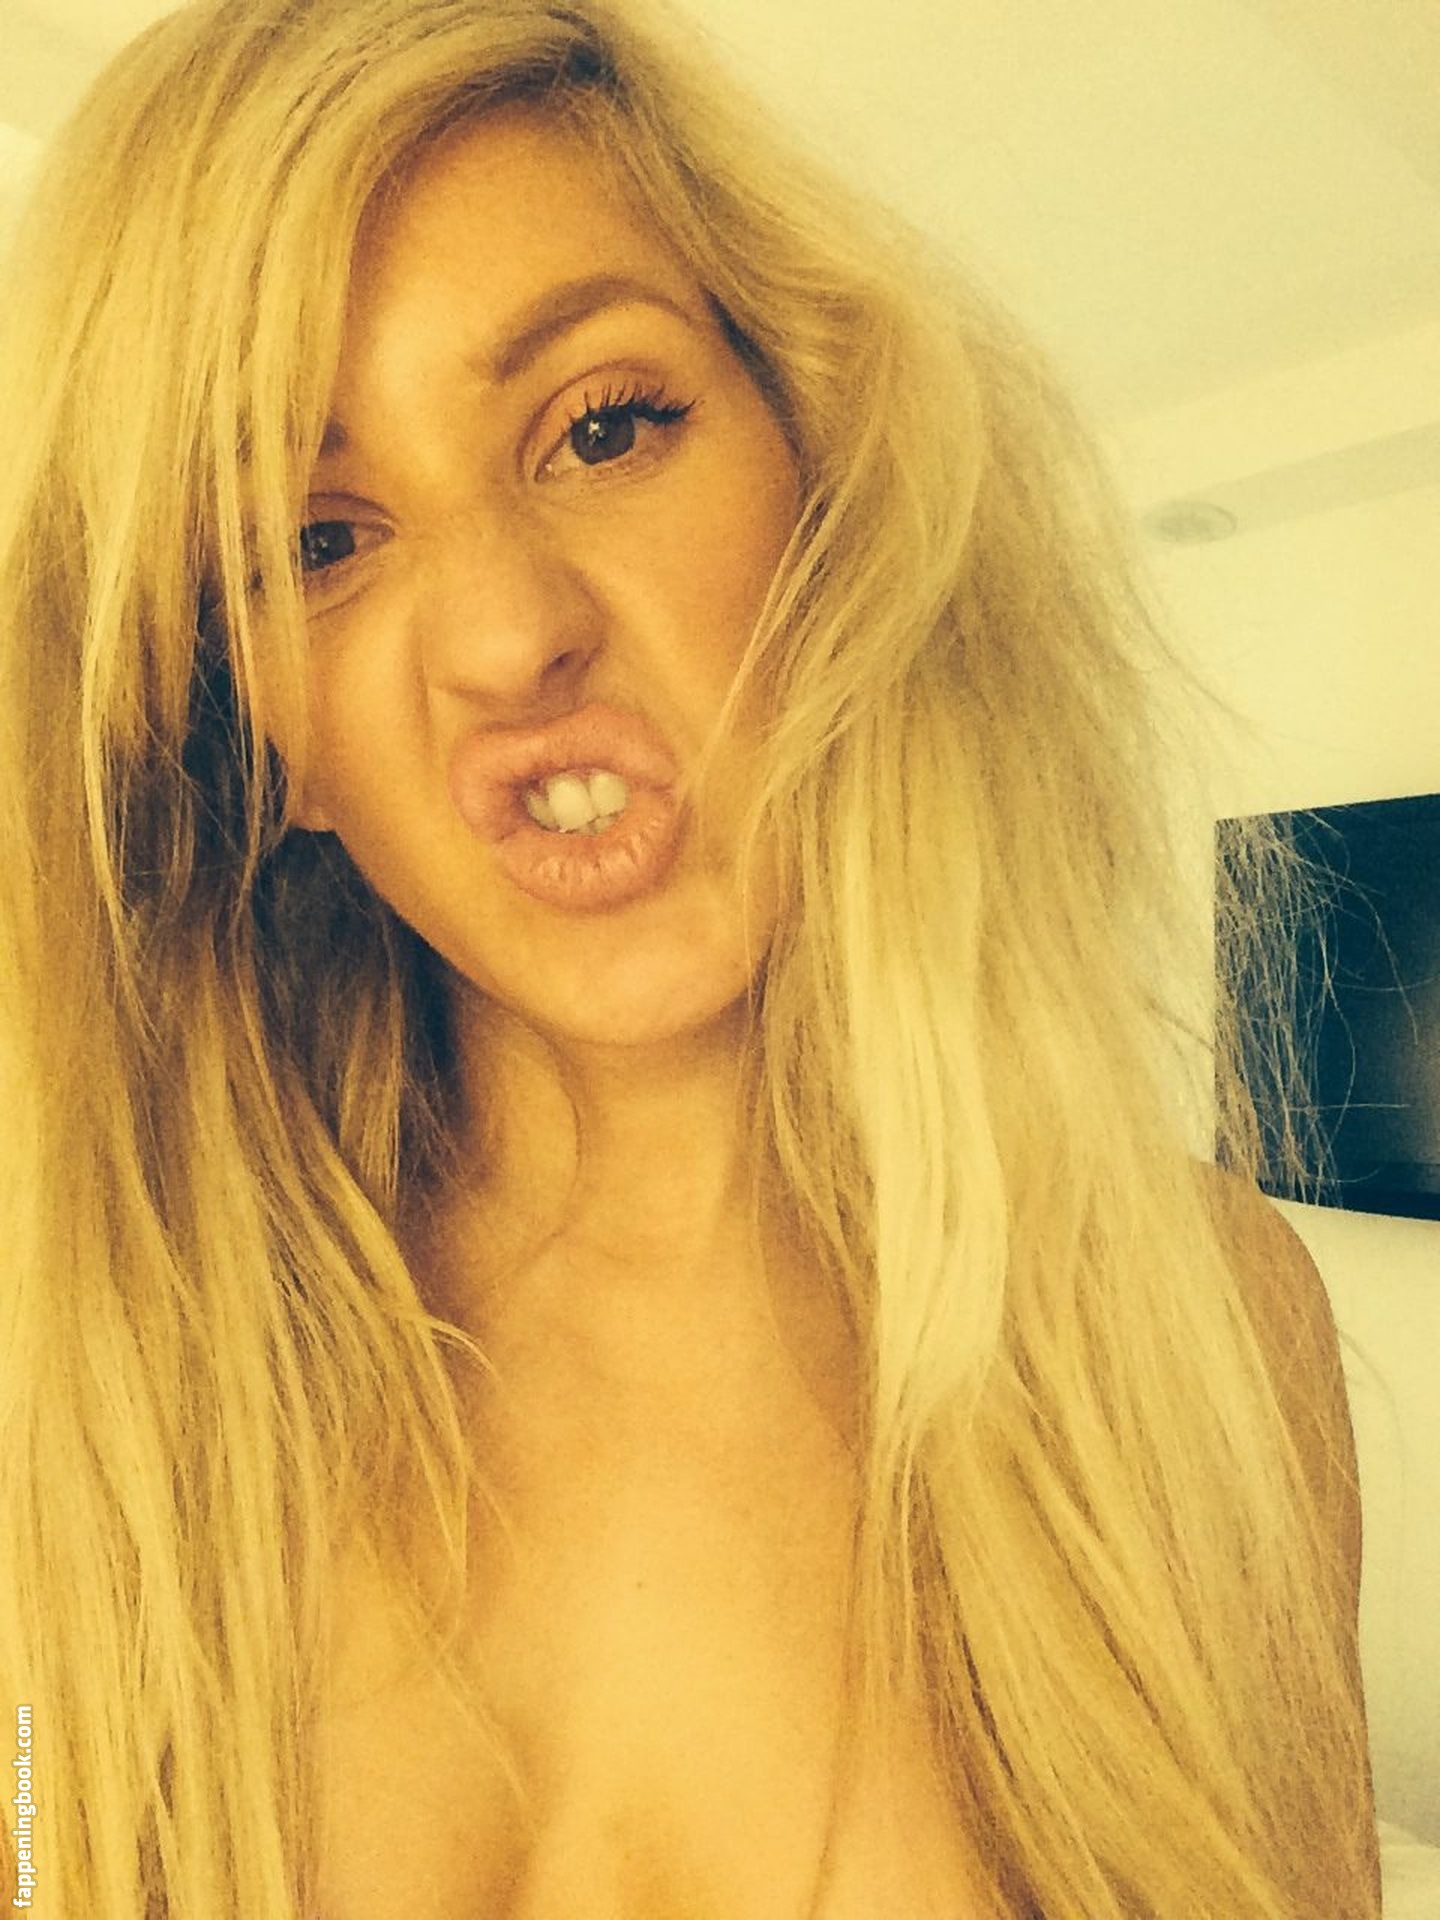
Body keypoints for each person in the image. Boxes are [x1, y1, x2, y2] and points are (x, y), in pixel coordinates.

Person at [0, 0, 1381, 1914]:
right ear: (256, 732)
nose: (507, 635)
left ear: (825, 480)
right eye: (315, 540)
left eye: (602, 426)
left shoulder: (1193, 1323)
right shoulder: (88, 1389)